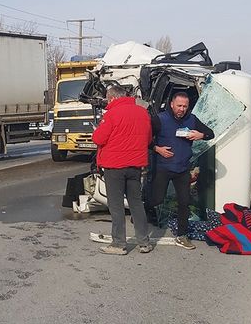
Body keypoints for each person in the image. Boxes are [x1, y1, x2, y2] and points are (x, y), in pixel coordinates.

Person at [92, 85, 153, 255]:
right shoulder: (142, 113)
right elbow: (148, 139)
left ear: (111, 98)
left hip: (114, 167)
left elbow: (98, 138)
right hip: (135, 166)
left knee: (116, 206)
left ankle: (119, 244)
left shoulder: (111, 114)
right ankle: (144, 242)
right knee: (136, 204)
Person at [149, 92, 214, 250]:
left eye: (185, 106)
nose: (182, 109)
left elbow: (210, 133)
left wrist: (201, 135)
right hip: (163, 167)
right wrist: (157, 148)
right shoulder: (160, 119)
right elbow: (144, 138)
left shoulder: (191, 119)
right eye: (179, 106)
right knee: (157, 199)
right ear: (172, 104)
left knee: (184, 202)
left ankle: (182, 235)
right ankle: (145, 211)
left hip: (183, 168)